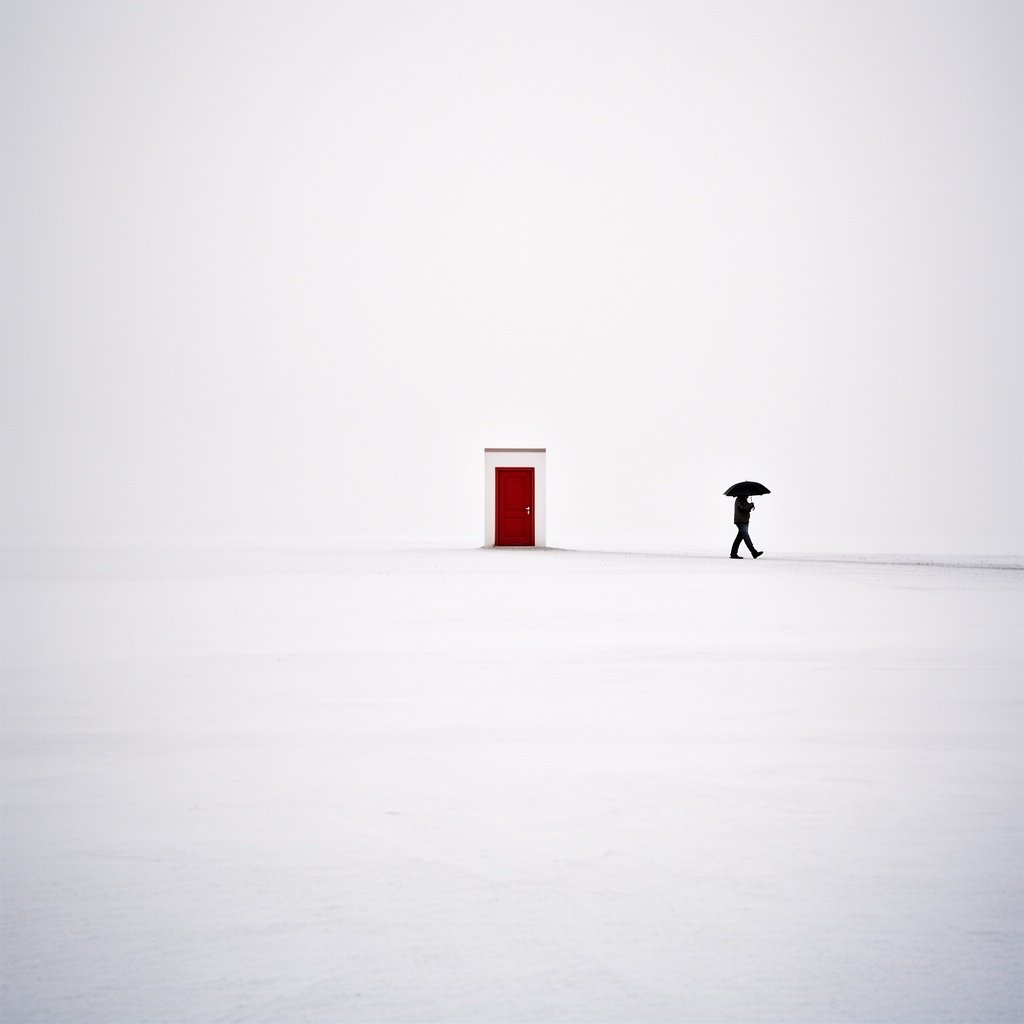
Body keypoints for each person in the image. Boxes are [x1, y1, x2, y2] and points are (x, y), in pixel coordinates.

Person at [731, 495, 763, 559]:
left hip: (744, 521)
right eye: (747, 494)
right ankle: (754, 552)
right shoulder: (739, 499)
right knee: (746, 537)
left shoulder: (743, 500)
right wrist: (751, 505)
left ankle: (733, 553)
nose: (748, 495)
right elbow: (743, 508)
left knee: (739, 538)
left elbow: (746, 509)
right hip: (741, 521)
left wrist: (750, 505)